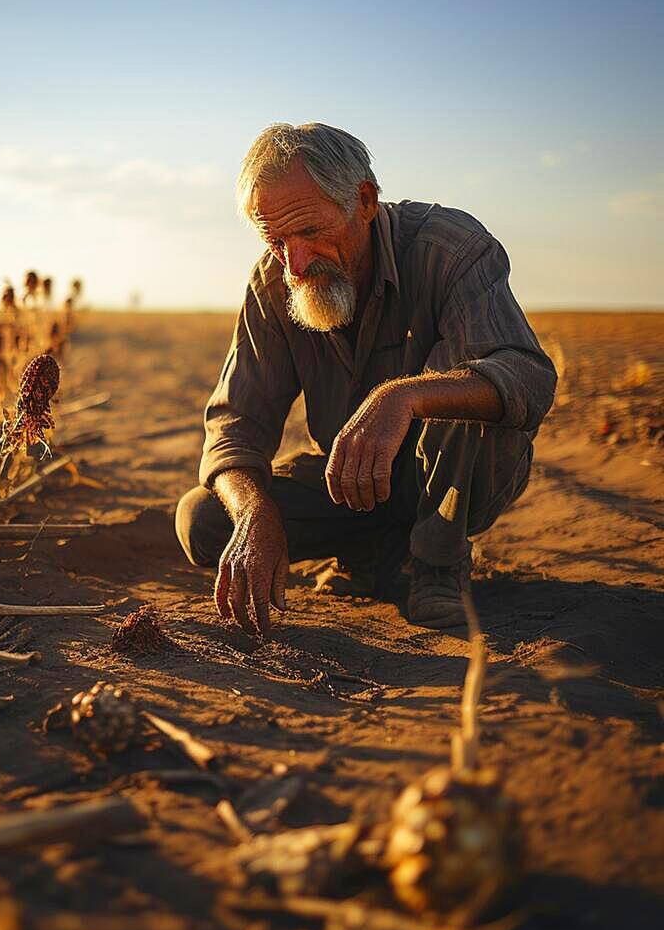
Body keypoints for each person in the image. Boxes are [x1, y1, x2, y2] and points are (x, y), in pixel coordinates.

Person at [175, 123, 557, 633]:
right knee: (203, 518)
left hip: (450, 476)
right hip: (350, 486)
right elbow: (235, 425)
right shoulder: (273, 280)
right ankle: (372, 549)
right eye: (275, 239)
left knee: (472, 400)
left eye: (309, 232)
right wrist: (253, 515)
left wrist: (405, 398)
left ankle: (438, 566)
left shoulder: (451, 247)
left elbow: (526, 376)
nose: (296, 263)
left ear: (365, 200)